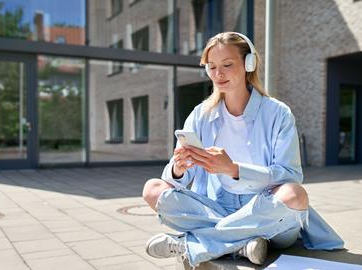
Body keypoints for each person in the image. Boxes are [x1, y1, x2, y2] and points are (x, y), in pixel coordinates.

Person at [142, 32, 344, 267]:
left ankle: (191, 244)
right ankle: (243, 242)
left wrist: (234, 169)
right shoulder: (200, 115)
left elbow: (290, 175)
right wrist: (178, 169)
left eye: (227, 65)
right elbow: (174, 181)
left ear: (249, 64)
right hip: (217, 206)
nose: (218, 74)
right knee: (153, 189)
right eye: (212, 66)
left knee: (295, 194)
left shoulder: (278, 113)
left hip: (266, 207)